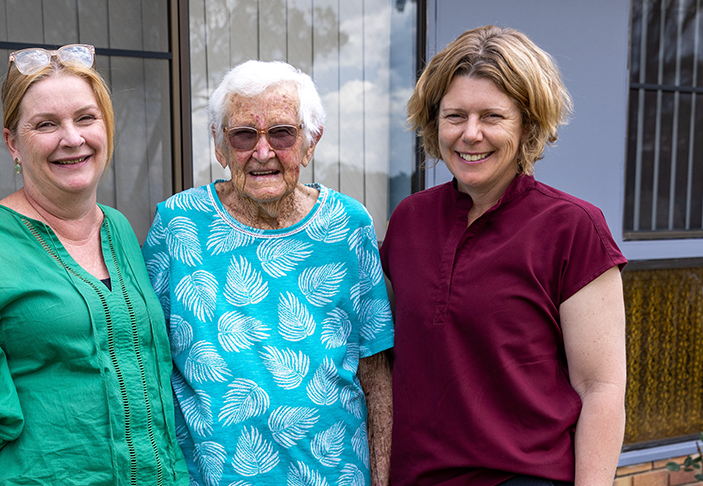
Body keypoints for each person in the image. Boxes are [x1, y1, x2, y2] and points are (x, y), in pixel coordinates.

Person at [0, 44, 188, 486]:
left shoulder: (118, 229)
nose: (72, 139)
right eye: (46, 124)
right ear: (12, 143)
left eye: (85, 118)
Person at [381, 25, 627, 485]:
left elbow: (601, 389)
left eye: (492, 116)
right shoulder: (409, 220)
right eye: (455, 116)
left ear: (529, 124)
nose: (470, 135)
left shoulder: (573, 228)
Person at [141, 60, 394, 485]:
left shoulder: (349, 225)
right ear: (220, 147)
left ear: (310, 143)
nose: (263, 153)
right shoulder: (177, 224)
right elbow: (146, 365)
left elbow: (377, 378)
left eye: (282, 133)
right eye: (243, 135)